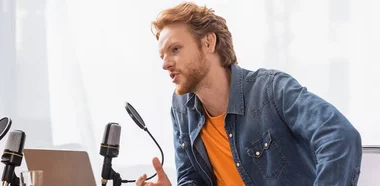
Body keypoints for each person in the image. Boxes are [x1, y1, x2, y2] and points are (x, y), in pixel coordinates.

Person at [136, 2, 362, 186]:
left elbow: (340, 137)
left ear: (208, 42)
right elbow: (192, 178)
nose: (165, 64)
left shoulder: (272, 90)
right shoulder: (181, 107)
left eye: (175, 49)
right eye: (162, 56)